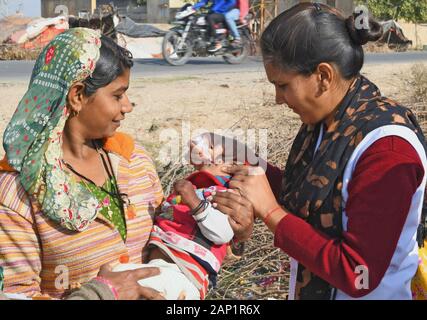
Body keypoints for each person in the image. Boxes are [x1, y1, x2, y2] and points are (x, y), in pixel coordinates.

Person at [206, 3, 427, 300]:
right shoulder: (332, 117)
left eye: (283, 85)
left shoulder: (387, 150)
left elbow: (358, 274)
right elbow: (316, 200)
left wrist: (271, 213)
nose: (277, 99)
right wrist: (247, 163)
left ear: (323, 75)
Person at [0, 28, 166, 300]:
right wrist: (101, 294)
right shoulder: (17, 194)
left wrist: (222, 232)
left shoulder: (133, 160)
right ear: (77, 95)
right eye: (117, 95)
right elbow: (18, 295)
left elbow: (168, 238)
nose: (127, 106)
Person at [113, 135, 244, 299]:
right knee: (113, 277)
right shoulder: (192, 188)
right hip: (158, 266)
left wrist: (195, 203)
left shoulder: (225, 197)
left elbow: (223, 234)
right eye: (211, 148)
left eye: (224, 158)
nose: (215, 156)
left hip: (183, 275)